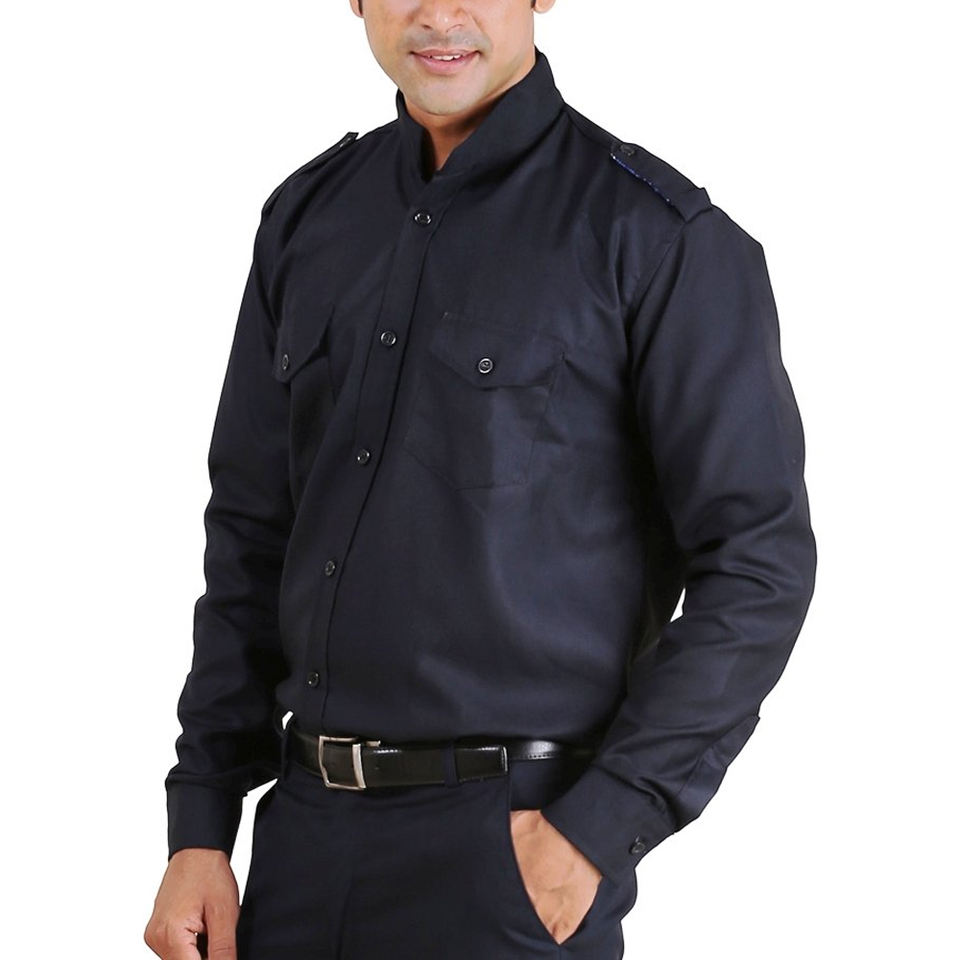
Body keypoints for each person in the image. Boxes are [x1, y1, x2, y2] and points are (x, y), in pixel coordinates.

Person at [144, 2, 817, 958]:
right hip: (298, 850)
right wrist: (202, 824)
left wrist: (595, 830)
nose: (438, 14)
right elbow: (252, 533)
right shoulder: (308, 216)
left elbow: (758, 564)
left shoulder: (657, 237)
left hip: (507, 862)